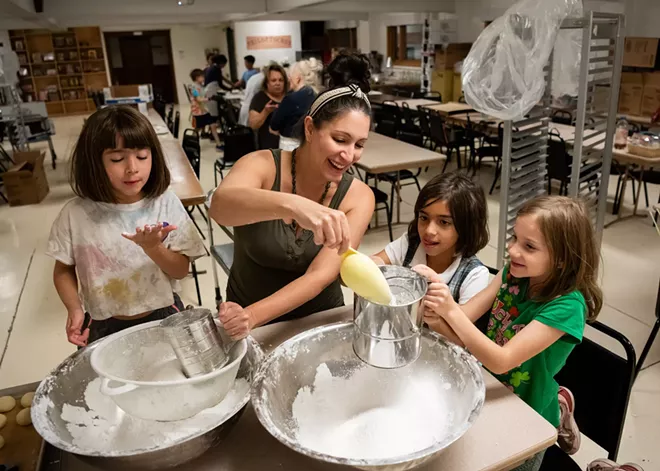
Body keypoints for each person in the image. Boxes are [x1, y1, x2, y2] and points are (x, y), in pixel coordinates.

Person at [418, 196, 603, 471]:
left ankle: (557, 408)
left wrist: (450, 312)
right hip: (491, 387)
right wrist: (437, 316)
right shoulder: (512, 274)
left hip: (529, 413)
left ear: (563, 259)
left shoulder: (566, 307)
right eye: (514, 238)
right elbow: (464, 324)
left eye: (529, 247)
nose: (513, 251)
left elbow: (502, 360)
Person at [210, 52, 376, 340]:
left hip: (317, 321)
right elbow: (220, 208)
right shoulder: (261, 165)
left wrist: (251, 316)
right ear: (310, 129)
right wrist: (294, 205)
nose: (349, 155)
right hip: (250, 323)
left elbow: (319, 276)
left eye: (359, 144)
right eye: (339, 139)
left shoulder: (358, 197)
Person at [46, 106, 206, 347]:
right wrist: (74, 309)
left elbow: (181, 270)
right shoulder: (75, 214)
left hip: (163, 315)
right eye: (117, 159)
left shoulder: (165, 203)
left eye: (142, 156)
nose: (132, 167)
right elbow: (63, 270)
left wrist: (154, 248)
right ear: (93, 163)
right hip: (102, 322)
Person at [372, 171, 489, 304]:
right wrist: (371, 265)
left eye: (444, 222)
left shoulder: (474, 274)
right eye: (424, 218)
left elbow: (461, 324)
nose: (429, 231)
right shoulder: (411, 244)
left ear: (466, 227)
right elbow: (375, 262)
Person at [270, 58, 323, 151]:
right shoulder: (320, 96)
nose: (288, 79)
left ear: (298, 78)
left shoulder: (291, 99)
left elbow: (273, 127)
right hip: (315, 146)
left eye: (290, 77)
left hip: (290, 148)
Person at [248, 63, 288, 150]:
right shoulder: (259, 98)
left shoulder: (290, 96)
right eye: (273, 80)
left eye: (280, 80)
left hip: (288, 147)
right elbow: (253, 124)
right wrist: (265, 112)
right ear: (267, 83)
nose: (277, 83)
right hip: (268, 149)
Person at [189, 68, 222, 151]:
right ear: (197, 77)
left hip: (204, 110)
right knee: (197, 128)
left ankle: (219, 144)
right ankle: (191, 143)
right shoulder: (194, 88)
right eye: (202, 76)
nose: (204, 78)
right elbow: (198, 99)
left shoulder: (200, 86)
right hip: (198, 111)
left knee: (212, 125)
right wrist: (210, 99)